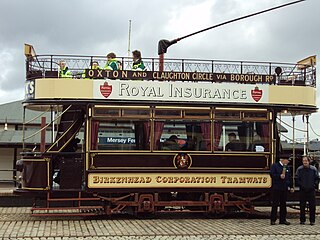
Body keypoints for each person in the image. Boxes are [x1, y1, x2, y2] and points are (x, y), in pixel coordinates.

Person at [270, 155, 294, 225]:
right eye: (287, 160)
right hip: (277, 188)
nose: (288, 161)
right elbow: (272, 175)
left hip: (284, 188)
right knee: (275, 204)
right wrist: (279, 176)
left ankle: (283, 219)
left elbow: (289, 177)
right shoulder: (275, 166)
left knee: (283, 205)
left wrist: (291, 186)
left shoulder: (287, 167)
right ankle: (273, 220)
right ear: (282, 160)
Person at [296, 156, 319, 225]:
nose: (305, 162)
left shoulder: (313, 169)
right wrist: (301, 185)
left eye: (306, 161)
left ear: (309, 161)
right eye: (303, 161)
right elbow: (297, 178)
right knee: (302, 206)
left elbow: (317, 178)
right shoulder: (299, 169)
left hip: (311, 190)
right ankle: (302, 220)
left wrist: (314, 185)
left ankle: (312, 220)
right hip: (302, 190)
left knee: (312, 206)